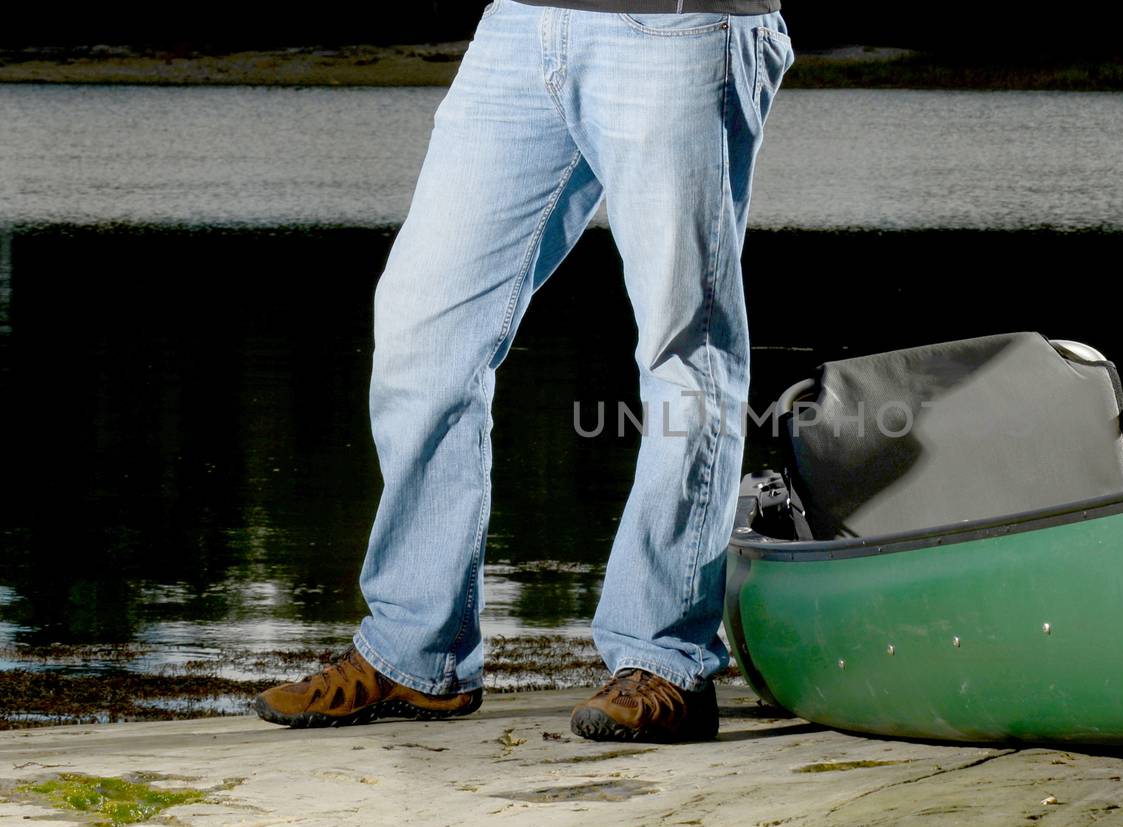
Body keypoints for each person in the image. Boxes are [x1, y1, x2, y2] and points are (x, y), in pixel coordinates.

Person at [252, 0, 792, 742]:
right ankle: (418, 651)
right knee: (424, 328)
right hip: (521, 25)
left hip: (677, 25)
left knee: (683, 351)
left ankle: (667, 657)